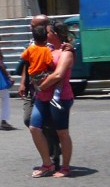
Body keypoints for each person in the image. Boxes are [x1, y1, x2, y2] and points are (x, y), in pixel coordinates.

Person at [29, 20, 76, 178]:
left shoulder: (66, 52)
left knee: (62, 133)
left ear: (55, 35)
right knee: (34, 128)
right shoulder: (45, 48)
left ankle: (65, 167)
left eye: (48, 32)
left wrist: (41, 85)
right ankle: (47, 164)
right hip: (42, 97)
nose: (45, 34)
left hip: (59, 97)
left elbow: (58, 75)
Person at [18, 14, 61, 168]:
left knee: (47, 124)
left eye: (33, 24)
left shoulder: (53, 44)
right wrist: (23, 82)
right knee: (28, 119)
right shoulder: (32, 42)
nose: (30, 27)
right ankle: (50, 146)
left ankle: (53, 153)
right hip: (31, 89)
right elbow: (26, 64)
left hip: (46, 89)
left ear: (41, 27)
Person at [21, 22, 63, 109]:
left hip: (32, 76)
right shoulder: (46, 50)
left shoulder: (30, 48)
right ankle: (56, 97)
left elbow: (24, 57)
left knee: (38, 89)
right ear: (45, 38)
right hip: (42, 74)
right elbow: (50, 63)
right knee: (59, 79)